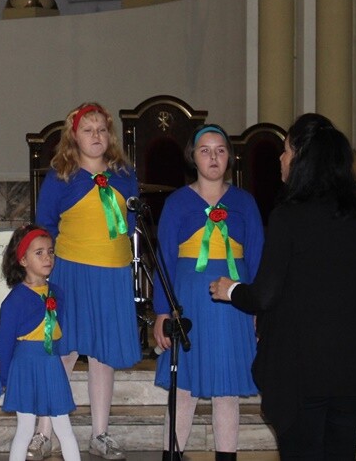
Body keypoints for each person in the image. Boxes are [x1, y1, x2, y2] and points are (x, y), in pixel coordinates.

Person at [210, 114, 356, 460]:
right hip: (354, 366)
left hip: (303, 369)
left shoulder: (289, 216)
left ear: (303, 158)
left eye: (286, 150)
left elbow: (265, 294)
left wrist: (230, 289)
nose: (281, 158)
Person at [151, 125, 264, 461]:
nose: (213, 157)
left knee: (226, 391)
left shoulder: (245, 202)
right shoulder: (177, 202)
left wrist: (258, 308)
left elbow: (258, 257)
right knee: (183, 388)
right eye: (205, 150)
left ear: (229, 157)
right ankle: (172, 455)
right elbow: (164, 259)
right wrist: (162, 311)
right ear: (193, 157)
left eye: (220, 150)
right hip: (188, 304)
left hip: (233, 306)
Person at [35, 102, 139, 460]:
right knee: (63, 352)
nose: (96, 135)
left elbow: (131, 222)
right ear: (74, 137)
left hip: (112, 274)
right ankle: (44, 432)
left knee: (103, 356)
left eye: (102, 130)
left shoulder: (124, 174)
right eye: (88, 130)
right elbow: (45, 225)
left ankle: (100, 434)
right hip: (71, 273)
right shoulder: (61, 176)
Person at [0, 225, 81, 461]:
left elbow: (57, 331)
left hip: (51, 365)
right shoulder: (14, 300)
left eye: (50, 252)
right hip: (25, 366)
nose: (47, 258)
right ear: (23, 260)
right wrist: (6, 378)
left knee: (64, 427)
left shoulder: (58, 292)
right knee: (25, 429)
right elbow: (4, 343)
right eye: (39, 253)